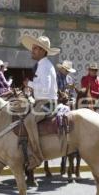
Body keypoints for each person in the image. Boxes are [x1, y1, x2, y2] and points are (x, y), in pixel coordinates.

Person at [21, 35, 60, 169]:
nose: (32, 51)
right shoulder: (41, 65)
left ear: (43, 51)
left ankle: (37, 156)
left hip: (47, 103)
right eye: (33, 48)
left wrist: (30, 83)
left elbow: (46, 88)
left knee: (28, 121)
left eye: (35, 48)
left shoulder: (46, 66)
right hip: (40, 101)